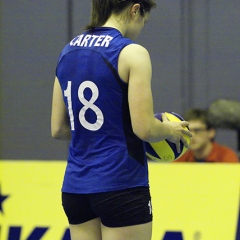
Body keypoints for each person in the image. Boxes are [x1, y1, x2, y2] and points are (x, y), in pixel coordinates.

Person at [51, 1, 192, 239]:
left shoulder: (68, 51)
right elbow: (145, 128)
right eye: (144, 21)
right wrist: (170, 130)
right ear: (135, 9)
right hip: (120, 183)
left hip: (75, 187)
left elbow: (58, 128)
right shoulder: (131, 52)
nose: (141, 27)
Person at [175, 108, 239, 163]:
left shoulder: (226, 156)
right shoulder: (182, 159)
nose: (192, 136)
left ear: (211, 132)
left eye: (197, 130)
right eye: (188, 131)